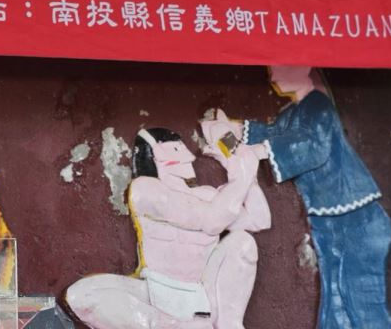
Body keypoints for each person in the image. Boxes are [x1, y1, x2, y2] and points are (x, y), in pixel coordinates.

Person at [202, 66, 391, 329]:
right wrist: (233, 130)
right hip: (327, 221)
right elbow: (274, 133)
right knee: (334, 306)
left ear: (304, 68)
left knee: (363, 305)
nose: (273, 77)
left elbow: (313, 146)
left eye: (279, 68)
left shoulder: (319, 106)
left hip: (356, 217)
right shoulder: (293, 114)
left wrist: (258, 151)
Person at [66, 128, 268, 329]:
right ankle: (172, 326)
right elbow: (211, 220)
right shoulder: (145, 190)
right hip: (155, 293)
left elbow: (258, 220)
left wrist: (244, 173)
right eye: (176, 149)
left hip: (202, 293)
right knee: (81, 295)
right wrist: (242, 176)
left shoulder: (209, 196)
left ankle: (228, 323)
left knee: (243, 242)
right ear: (157, 156)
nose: (187, 157)